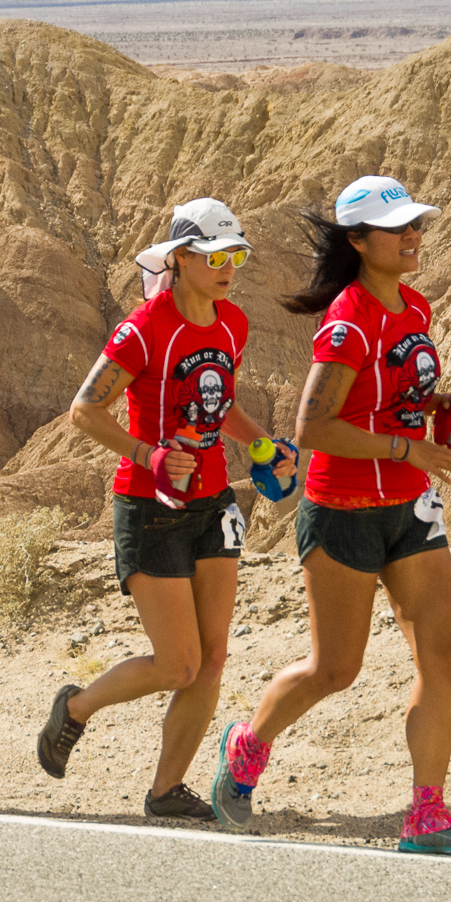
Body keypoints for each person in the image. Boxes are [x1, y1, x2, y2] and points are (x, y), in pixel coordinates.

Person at [210, 174, 451, 855]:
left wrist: (443, 414)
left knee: (443, 655)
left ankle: (426, 816)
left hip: (409, 508)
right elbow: (313, 428)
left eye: (415, 225)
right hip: (342, 511)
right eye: (398, 229)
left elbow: (395, 396)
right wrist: (409, 445)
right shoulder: (346, 324)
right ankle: (247, 745)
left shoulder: (412, 308)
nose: (412, 237)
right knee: (335, 669)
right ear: (358, 242)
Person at [37, 198, 292, 820]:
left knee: (212, 658)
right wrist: (148, 455)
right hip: (148, 504)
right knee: (177, 663)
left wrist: (260, 443)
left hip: (213, 503)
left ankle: (165, 790)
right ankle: (75, 708)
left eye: (236, 255)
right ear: (179, 259)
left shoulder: (233, 323)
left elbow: (216, 402)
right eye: (214, 257)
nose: (229, 267)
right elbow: (84, 411)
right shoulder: (143, 328)